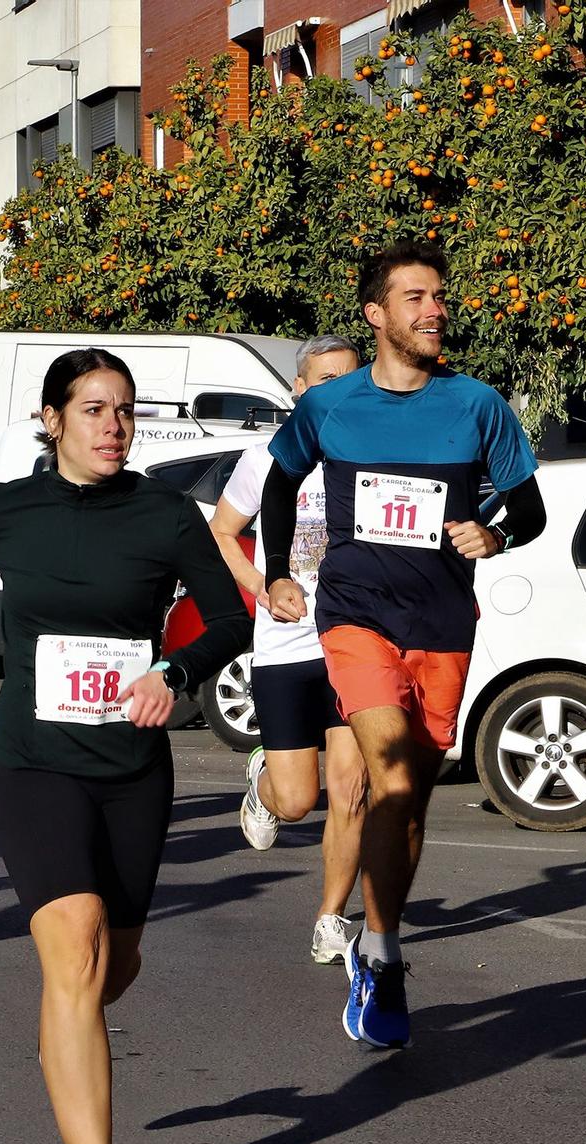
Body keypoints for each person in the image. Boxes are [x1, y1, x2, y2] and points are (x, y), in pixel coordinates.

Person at [0, 348, 251, 1144]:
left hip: (132, 769)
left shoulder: (166, 516)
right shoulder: (3, 509)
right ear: (53, 419)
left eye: (125, 410)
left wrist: (176, 671)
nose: (113, 425)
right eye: (94, 408)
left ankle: (69, 1032)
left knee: (115, 966)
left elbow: (227, 617)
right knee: (72, 946)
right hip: (34, 763)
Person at [260, 242, 546, 1050]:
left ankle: (381, 942)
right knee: (383, 769)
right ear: (376, 314)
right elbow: (282, 479)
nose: (434, 309)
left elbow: (531, 510)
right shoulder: (330, 405)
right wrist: (279, 571)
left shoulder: (478, 405)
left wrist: (493, 533)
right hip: (354, 611)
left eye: (440, 296)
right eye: (415, 297)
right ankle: (379, 960)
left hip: (444, 623)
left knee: (410, 798)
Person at [210, 335, 369, 963]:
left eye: (347, 378)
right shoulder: (265, 459)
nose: (335, 391)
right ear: (298, 391)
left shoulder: (376, 457)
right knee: (299, 800)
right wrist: (260, 587)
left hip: (354, 646)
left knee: (351, 787)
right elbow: (223, 531)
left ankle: (331, 918)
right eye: (322, 381)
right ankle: (265, 785)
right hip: (284, 648)